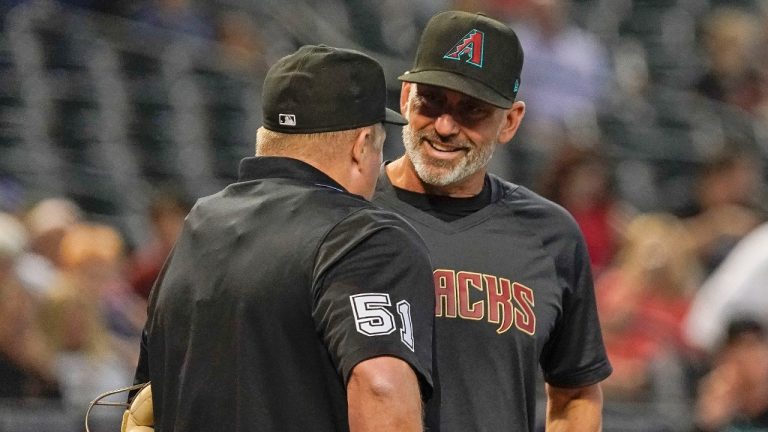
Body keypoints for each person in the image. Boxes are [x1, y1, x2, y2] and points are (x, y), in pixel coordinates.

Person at [131, 45, 436, 431]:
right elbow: (380, 389)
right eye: (378, 146)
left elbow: (146, 400)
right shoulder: (366, 237)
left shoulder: (200, 225)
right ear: (361, 147)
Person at [372, 10, 612, 431]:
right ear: (405, 96)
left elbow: (575, 392)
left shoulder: (550, 236)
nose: (445, 126)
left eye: (472, 111)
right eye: (432, 100)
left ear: (511, 121)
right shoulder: (347, 210)